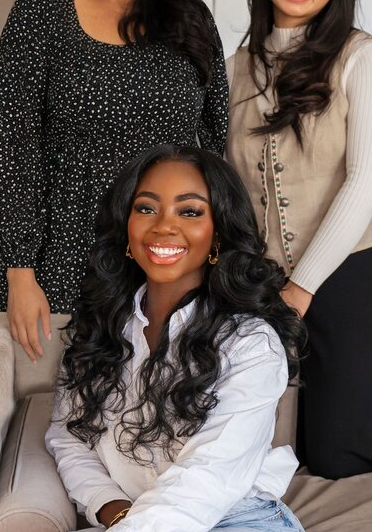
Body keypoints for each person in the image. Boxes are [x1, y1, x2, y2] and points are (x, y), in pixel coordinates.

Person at [0, 0, 228, 361]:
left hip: (164, 261)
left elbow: (215, 147)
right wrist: (18, 272)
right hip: (59, 262)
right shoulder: (41, 11)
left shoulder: (191, 20)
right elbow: (9, 148)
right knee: (59, 411)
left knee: (155, 412)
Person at [46, 144, 306, 531]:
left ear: (218, 232)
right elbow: (68, 436)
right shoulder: (100, 328)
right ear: (126, 226)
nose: (163, 226)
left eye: (190, 211)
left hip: (236, 520)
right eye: (146, 208)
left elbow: (207, 479)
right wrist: (112, 508)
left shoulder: (252, 343)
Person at [226, 0, 372, 479]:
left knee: (339, 450)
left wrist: (302, 286)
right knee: (265, 450)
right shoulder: (237, 67)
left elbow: (367, 179)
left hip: (352, 272)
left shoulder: (362, 57)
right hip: (261, 281)